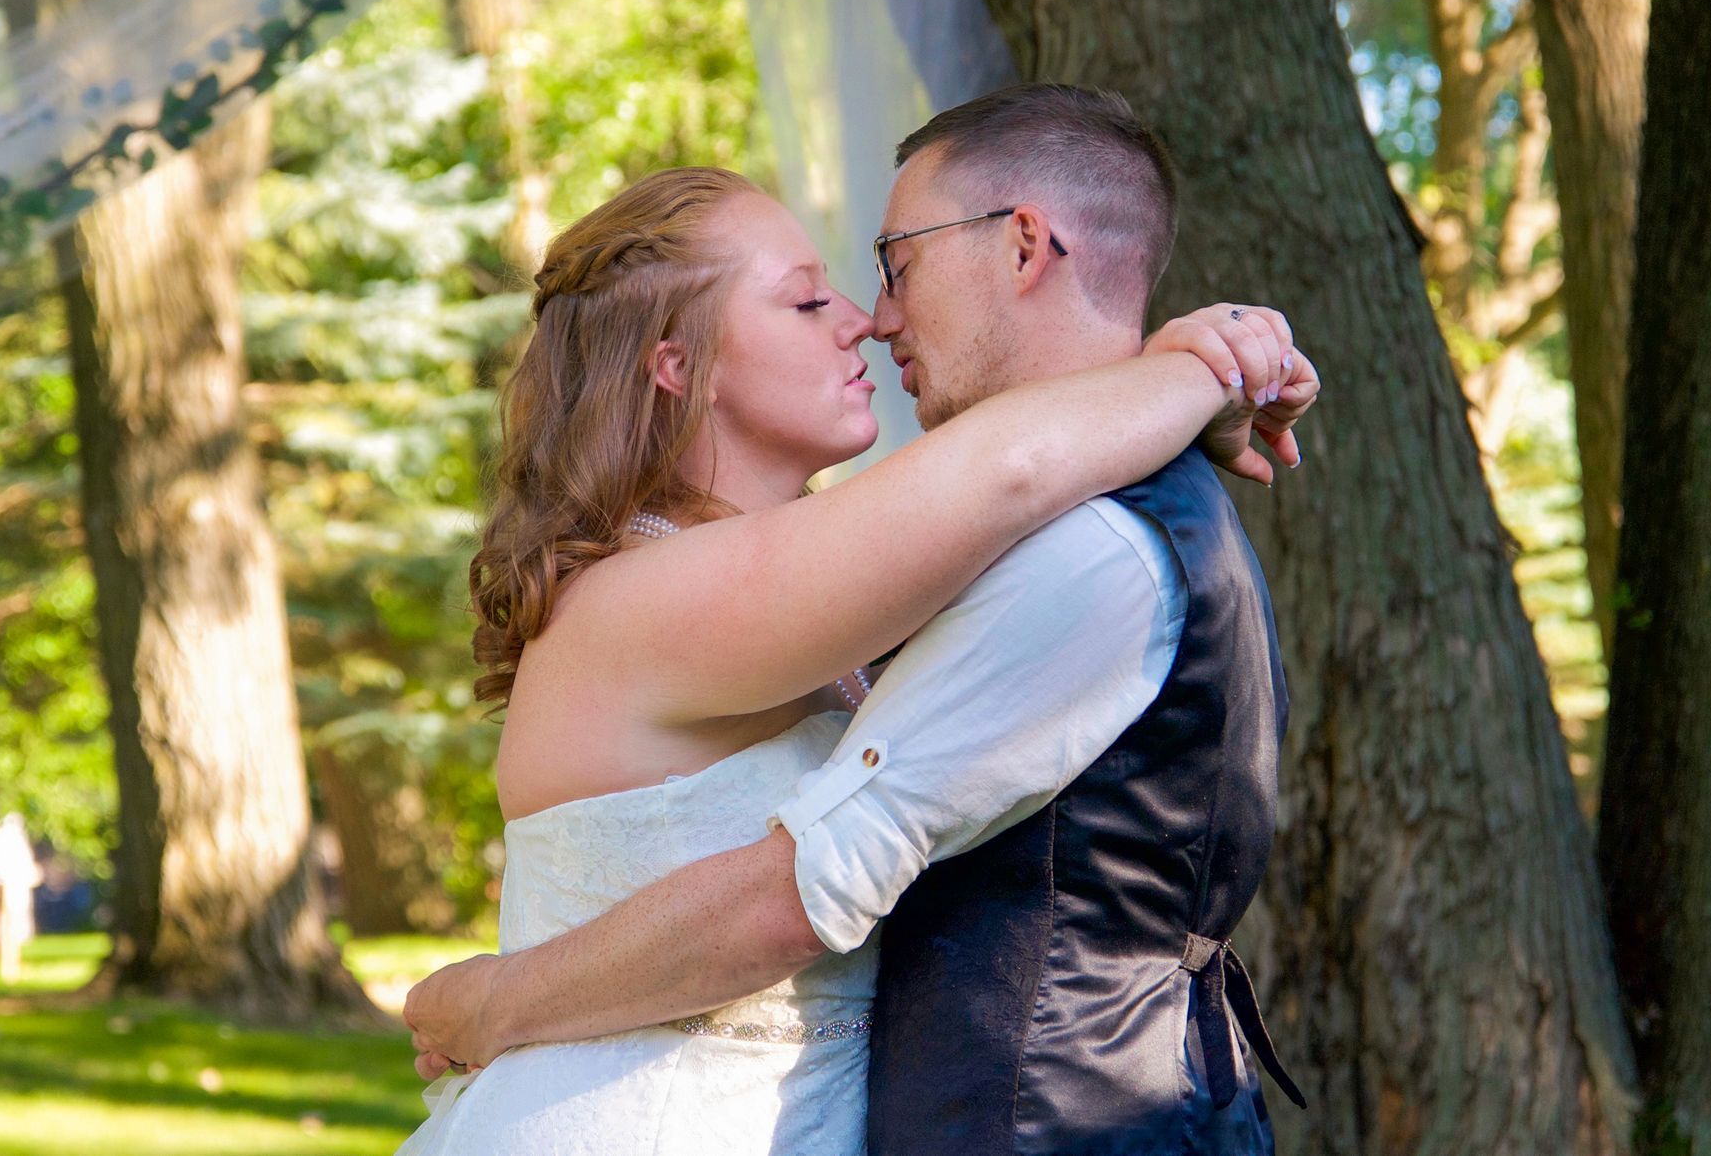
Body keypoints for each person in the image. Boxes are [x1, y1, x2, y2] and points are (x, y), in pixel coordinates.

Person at [401, 87, 1318, 1156]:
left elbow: (1005, 479)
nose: (864, 318)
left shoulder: (828, 584)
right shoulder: (646, 598)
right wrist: (1194, 367)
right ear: (679, 366)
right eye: (804, 302)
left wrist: (1182, 364)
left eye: (879, 274)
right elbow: (1009, 469)